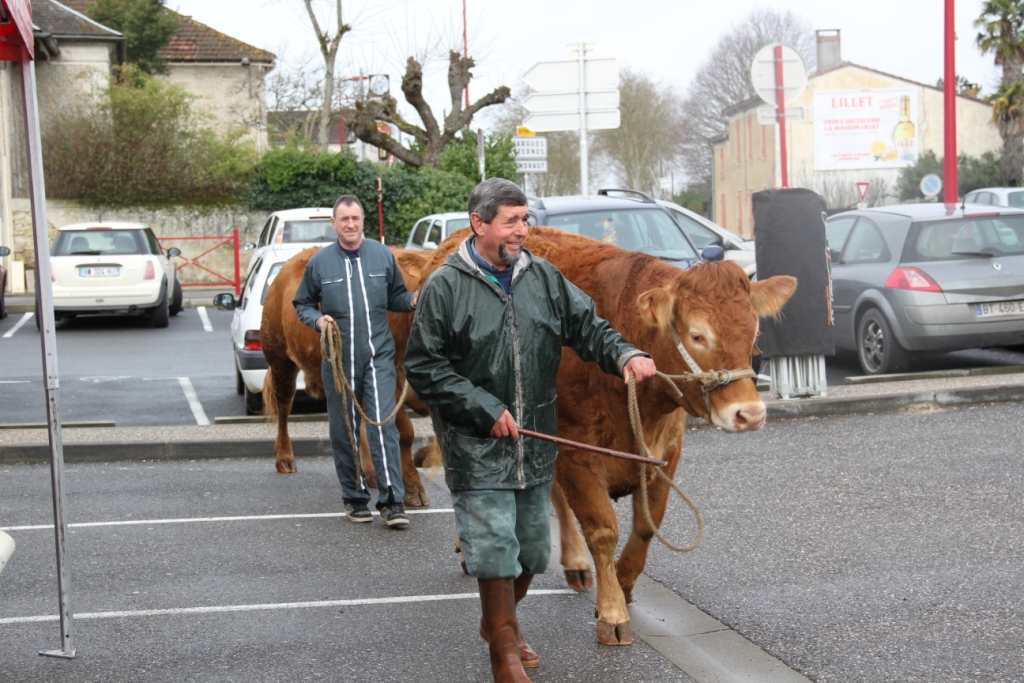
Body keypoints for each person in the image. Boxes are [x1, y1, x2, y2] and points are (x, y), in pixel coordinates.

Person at [404, 178, 657, 682]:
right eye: (511, 222)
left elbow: (587, 327)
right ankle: (504, 652)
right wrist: (482, 407)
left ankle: (499, 621)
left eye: (526, 220)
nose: (523, 230)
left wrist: (625, 353)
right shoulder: (445, 286)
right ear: (479, 224)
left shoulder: (542, 277)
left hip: (535, 438)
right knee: (494, 544)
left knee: (534, 550)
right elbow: (424, 365)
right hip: (475, 440)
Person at [293, 195, 416, 528]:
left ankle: (392, 502)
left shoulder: (382, 255)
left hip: (379, 355)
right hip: (338, 360)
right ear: (334, 224)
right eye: (344, 219)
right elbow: (302, 303)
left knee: (382, 426)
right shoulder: (320, 263)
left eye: (355, 218)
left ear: (364, 221)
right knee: (344, 430)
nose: (350, 224)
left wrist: (416, 299)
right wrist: (317, 321)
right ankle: (354, 497)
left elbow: (397, 298)